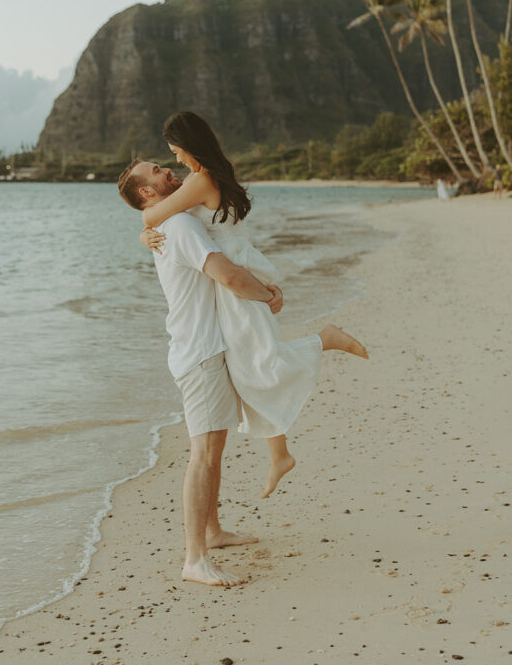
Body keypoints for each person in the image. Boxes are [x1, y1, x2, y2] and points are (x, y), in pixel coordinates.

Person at [136, 111, 368, 500]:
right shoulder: (212, 174)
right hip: (240, 274)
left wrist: (145, 232)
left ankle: (324, 340)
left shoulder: (200, 180)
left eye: (175, 152)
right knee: (251, 367)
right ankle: (280, 453)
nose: (175, 160)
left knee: (259, 364)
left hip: (235, 284)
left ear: (190, 146)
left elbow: (152, 213)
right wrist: (146, 237)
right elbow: (162, 220)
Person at [118, 158, 283, 587]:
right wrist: (269, 296)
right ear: (148, 192)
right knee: (203, 455)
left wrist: (141, 227)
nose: (169, 170)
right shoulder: (180, 227)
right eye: (157, 170)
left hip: (204, 347)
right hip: (201, 353)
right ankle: (194, 559)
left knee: (215, 448)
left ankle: (213, 531)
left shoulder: (175, 220)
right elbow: (226, 275)